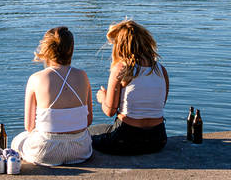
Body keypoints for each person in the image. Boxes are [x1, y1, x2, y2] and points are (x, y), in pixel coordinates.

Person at [10, 26, 93, 166]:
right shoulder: (82, 76)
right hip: (80, 150)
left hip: (46, 151)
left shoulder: (36, 78)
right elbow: (88, 120)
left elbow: (29, 126)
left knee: (17, 140)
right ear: (71, 49)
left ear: (46, 50)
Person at [93, 20, 169, 155]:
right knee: (103, 129)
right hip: (158, 139)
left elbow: (109, 111)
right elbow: (159, 104)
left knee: (88, 133)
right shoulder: (161, 70)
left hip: (126, 139)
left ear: (120, 47)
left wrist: (102, 98)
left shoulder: (121, 69)